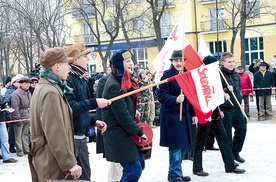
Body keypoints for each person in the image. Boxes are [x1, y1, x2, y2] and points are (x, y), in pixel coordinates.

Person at [29, 47, 82, 181]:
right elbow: (55, 132)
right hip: (53, 164)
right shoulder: (50, 92)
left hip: (50, 160)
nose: (69, 68)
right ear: (57, 66)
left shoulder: (46, 87)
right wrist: (69, 163)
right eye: (66, 64)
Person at [193, 55, 246, 177]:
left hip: (215, 113)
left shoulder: (214, 76)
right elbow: (204, 96)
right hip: (205, 113)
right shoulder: (201, 78)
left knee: (224, 139)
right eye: (214, 65)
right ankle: (197, 168)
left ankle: (230, 166)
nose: (217, 67)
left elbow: (214, 94)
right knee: (200, 141)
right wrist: (223, 94)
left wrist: (220, 103)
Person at [65, 43, 110, 181]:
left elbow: (81, 110)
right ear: (75, 59)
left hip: (80, 137)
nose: (88, 59)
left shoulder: (80, 79)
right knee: (74, 178)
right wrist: (94, 102)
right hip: (71, 139)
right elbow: (71, 108)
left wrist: (93, 121)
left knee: (85, 177)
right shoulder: (69, 80)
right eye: (85, 56)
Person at [102, 50, 148, 182]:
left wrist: (134, 112)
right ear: (119, 65)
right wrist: (138, 132)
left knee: (140, 164)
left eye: (131, 60)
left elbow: (125, 108)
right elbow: (122, 115)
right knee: (133, 170)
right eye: (127, 61)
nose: (131, 64)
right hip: (118, 134)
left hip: (125, 133)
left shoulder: (123, 81)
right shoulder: (114, 86)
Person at [156, 50, 197, 182]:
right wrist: (175, 99)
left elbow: (191, 96)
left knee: (183, 145)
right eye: (176, 60)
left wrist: (193, 114)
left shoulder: (187, 75)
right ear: (172, 62)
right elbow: (161, 96)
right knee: (176, 146)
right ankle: (175, 175)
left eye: (181, 60)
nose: (178, 63)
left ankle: (175, 172)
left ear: (184, 61)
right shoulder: (167, 76)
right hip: (172, 117)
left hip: (185, 116)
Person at [219, 52, 247, 164]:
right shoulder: (219, 74)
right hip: (225, 109)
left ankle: (235, 152)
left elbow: (238, 89)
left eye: (233, 61)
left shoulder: (235, 74)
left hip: (237, 107)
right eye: (229, 62)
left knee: (242, 130)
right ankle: (229, 158)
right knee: (227, 135)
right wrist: (225, 90)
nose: (232, 64)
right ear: (223, 62)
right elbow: (215, 91)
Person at [11, 77, 31, 157]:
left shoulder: (28, 92)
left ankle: (26, 149)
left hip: (27, 115)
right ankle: (20, 151)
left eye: (28, 83)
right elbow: (15, 108)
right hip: (19, 116)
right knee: (18, 135)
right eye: (25, 83)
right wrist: (17, 119)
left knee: (25, 134)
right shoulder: (16, 93)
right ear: (21, 84)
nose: (27, 85)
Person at [5, 74, 25, 154]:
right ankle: (12, 145)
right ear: (13, 82)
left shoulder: (22, 91)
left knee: (22, 131)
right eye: (17, 82)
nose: (19, 83)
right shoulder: (10, 90)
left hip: (22, 113)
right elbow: (7, 100)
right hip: (12, 113)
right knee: (12, 131)